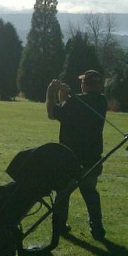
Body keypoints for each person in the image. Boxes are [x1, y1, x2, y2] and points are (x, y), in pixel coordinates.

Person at [46, 69, 107, 240]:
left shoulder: (75, 102)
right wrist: (65, 95)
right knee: (90, 193)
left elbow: (53, 113)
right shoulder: (102, 101)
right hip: (92, 158)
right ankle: (97, 228)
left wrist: (51, 91)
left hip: (69, 157)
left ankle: (59, 225)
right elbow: (69, 109)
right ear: (99, 85)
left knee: (63, 192)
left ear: (84, 84)